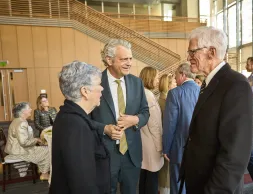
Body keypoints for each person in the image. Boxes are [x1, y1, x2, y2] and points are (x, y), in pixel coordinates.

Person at [179, 26, 253, 193]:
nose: (188, 57)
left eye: (192, 52)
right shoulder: (210, 83)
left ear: (211, 52)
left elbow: (234, 155)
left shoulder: (236, 85)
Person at [90, 39, 149, 194]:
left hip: (131, 154)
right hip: (104, 154)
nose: (129, 63)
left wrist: (135, 120)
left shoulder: (137, 83)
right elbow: (84, 120)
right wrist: (104, 129)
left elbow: (145, 112)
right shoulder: (94, 83)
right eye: (124, 59)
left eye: (130, 58)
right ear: (109, 60)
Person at [49, 61, 110, 194]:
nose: (102, 88)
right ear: (85, 91)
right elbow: (83, 183)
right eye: (99, 84)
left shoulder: (68, 116)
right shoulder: (76, 126)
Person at [162, 63, 199, 194]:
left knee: (177, 185)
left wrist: (166, 148)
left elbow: (170, 123)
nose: (176, 79)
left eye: (176, 75)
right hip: (198, 149)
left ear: (183, 75)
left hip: (179, 147)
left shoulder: (174, 93)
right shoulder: (202, 91)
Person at [5, 102, 50, 180]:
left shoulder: (18, 120)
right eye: (29, 108)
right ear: (23, 111)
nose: (31, 109)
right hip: (20, 152)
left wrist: (36, 140)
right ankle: (44, 173)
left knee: (45, 148)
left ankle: (42, 169)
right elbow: (24, 142)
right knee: (49, 150)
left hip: (17, 149)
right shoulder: (21, 123)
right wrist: (36, 140)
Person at [138, 66, 163, 194]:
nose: (158, 80)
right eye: (157, 77)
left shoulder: (140, 93)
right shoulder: (149, 96)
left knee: (143, 178)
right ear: (150, 78)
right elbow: (154, 124)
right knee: (152, 179)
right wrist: (160, 146)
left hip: (143, 141)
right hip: (151, 143)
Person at [158, 73, 176, 194]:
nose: (176, 84)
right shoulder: (165, 101)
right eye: (174, 82)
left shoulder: (162, 99)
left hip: (163, 139)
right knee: (166, 171)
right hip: (165, 139)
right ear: (168, 85)